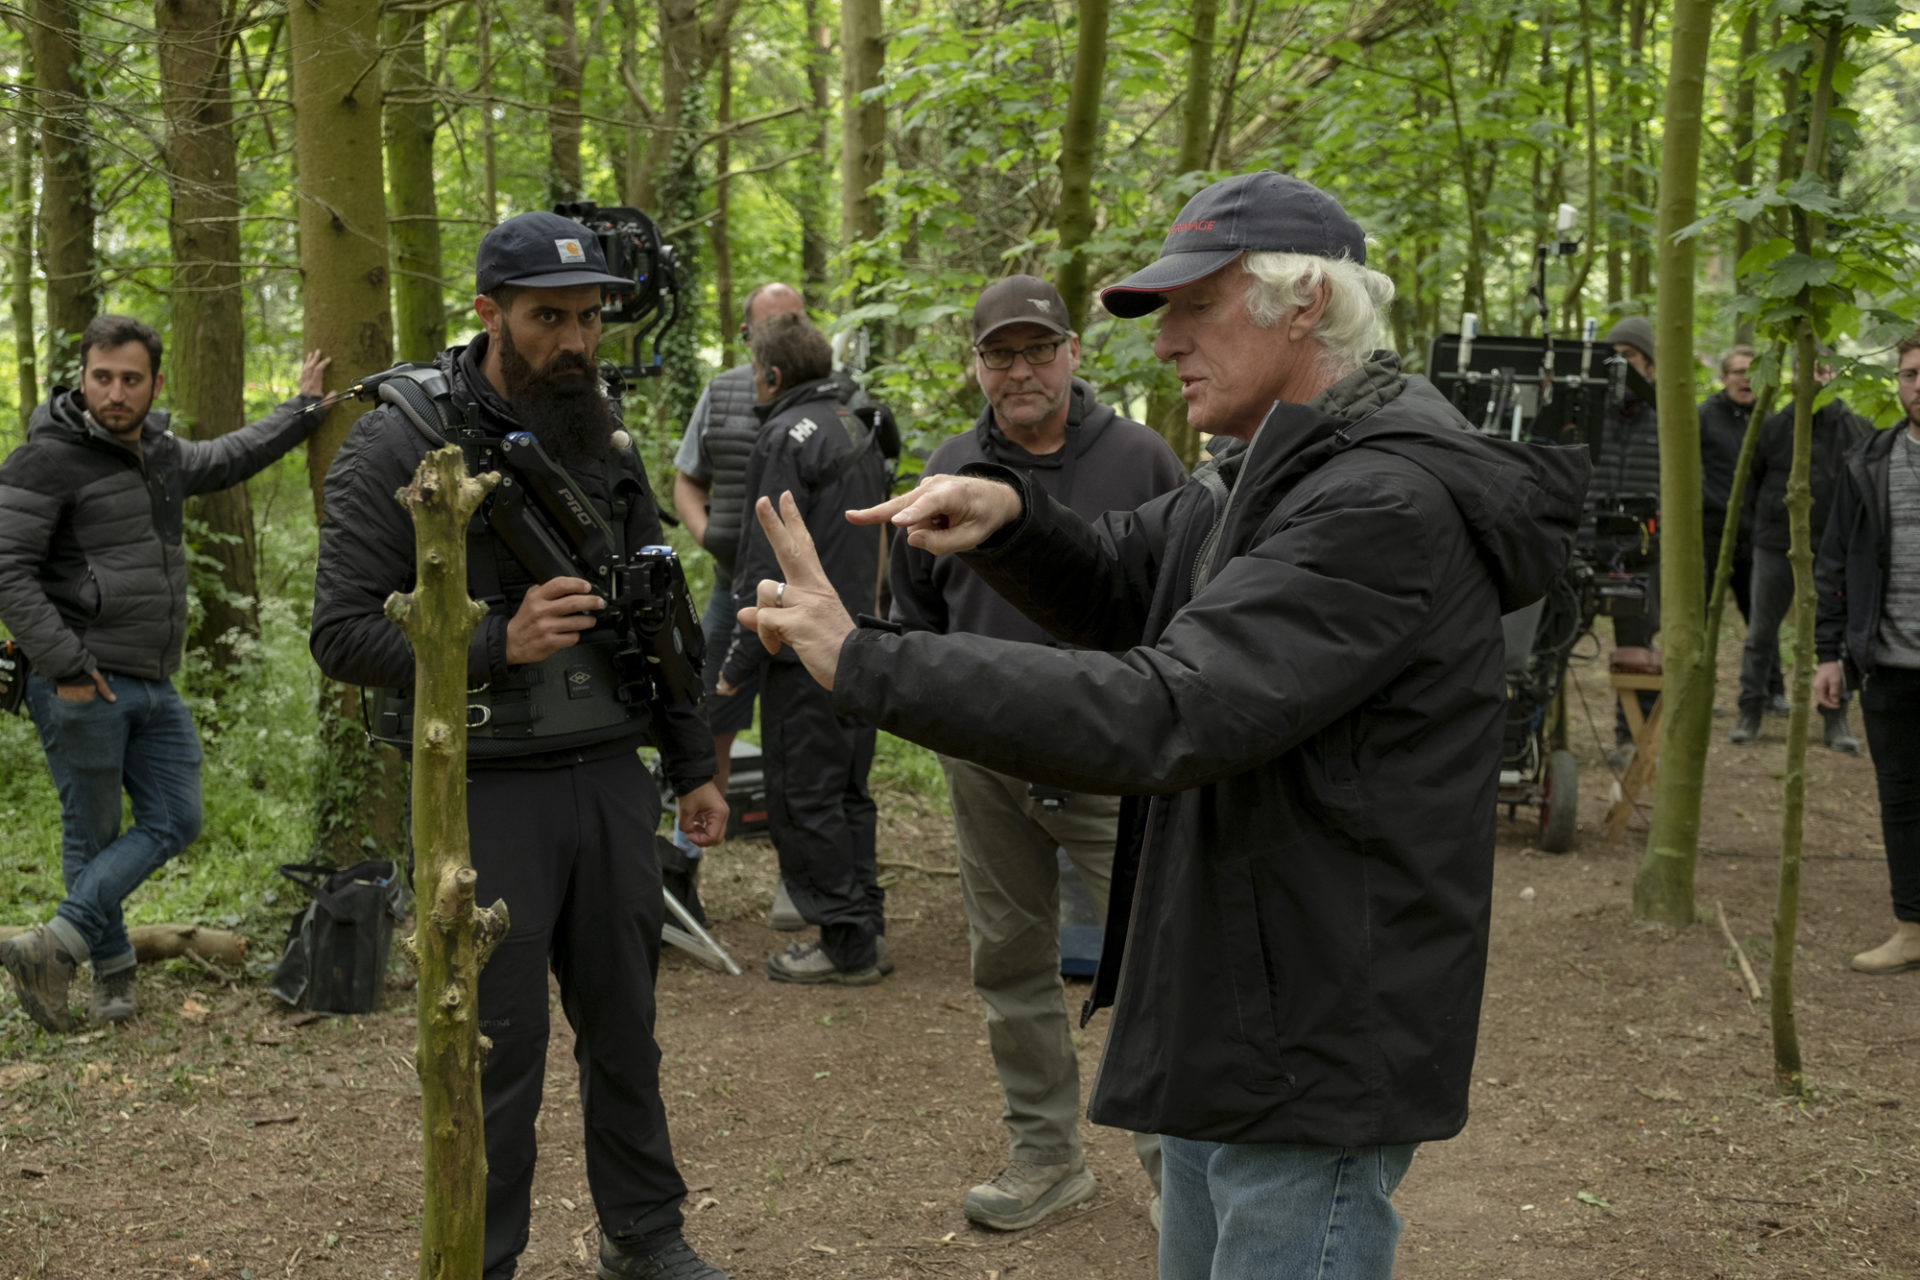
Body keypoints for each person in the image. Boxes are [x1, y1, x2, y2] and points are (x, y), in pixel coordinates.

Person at [733, 171, 1590, 1279]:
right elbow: (1130, 571)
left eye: (1197, 306)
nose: (1167, 341)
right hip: (1235, 999)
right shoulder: (1267, 469)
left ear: (1306, 303)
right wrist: (1011, 518)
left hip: (1314, 1031)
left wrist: (865, 656)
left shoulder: (1380, 502)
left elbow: (1166, 703)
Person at [309, 209, 732, 1280]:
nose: (577, 340)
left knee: (626, 1030)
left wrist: (692, 760)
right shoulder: (399, 438)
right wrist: (496, 639)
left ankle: (644, 1234)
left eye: (591, 316)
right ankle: (479, 1258)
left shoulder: (602, 430)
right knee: (494, 1049)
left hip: (608, 777)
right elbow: (342, 630)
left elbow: (654, 606)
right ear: (490, 312)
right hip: (482, 788)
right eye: (551, 317)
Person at [889, 273, 1186, 1231]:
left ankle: (1176, 1169)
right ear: (975, 365)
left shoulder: (1143, 459)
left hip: (1114, 756)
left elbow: (1187, 608)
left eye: (1037, 350)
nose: (1020, 370)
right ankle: (1045, 1155)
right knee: (1009, 961)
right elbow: (915, 620)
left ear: (1073, 354)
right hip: (986, 759)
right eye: (999, 354)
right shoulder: (946, 466)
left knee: (1154, 959)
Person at [0, 316, 327, 1033]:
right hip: (83, 683)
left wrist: (303, 409)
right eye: (102, 377)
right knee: (90, 833)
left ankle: (52, 947)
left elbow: (231, 455)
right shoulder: (45, 459)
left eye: (131, 379)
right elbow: (8, 571)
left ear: (154, 382)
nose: (116, 393)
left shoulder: (158, 453)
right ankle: (111, 976)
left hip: (154, 679)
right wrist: (69, 667)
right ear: (81, 377)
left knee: (177, 818)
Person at [715, 313, 891, 985]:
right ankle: (865, 928)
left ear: (774, 375)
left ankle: (845, 944)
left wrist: (735, 668)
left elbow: (765, 557)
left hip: (803, 655)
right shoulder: (857, 424)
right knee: (850, 791)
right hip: (863, 646)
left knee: (805, 796)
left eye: (756, 373)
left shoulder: (786, 436)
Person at [669, 282, 808, 923]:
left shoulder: (830, 401)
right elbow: (686, 479)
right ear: (746, 335)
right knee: (709, 718)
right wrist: (708, 536)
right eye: (770, 323)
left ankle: (802, 882)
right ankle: (680, 873)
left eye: (793, 321)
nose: (781, 330)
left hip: (810, 599)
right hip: (733, 591)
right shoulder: (722, 391)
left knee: (800, 734)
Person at [1814, 328, 1920, 977]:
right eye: (1911, 373)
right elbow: (1834, 565)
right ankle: (1911, 928)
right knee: (1902, 799)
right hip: (1891, 665)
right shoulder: (1868, 463)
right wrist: (1830, 654)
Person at [1732, 357, 1870, 750]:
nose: (1816, 377)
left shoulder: (1856, 429)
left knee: (1837, 637)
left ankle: (1835, 717)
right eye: (1808, 369)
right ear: (1794, 375)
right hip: (1775, 545)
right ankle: (1751, 710)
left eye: (1823, 370)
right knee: (1760, 632)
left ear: (1833, 375)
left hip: (1833, 553)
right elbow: (1750, 485)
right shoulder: (1773, 426)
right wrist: (1757, 532)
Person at [1598, 315, 1663, 765]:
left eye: (1630, 357)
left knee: (1637, 648)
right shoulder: (1586, 414)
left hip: (1639, 555)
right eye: (1613, 358)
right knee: (1550, 645)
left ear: (1651, 366)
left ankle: (1631, 739)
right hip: (1582, 550)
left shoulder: (1667, 422)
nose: (1620, 367)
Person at [1699, 345, 1762, 625]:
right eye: (1739, 372)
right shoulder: (1704, 416)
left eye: (1754, 372)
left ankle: (1766, 669)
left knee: (1759, 616)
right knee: (1703, 610)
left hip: (1756, 534)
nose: (1746, 378)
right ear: (1724, 378)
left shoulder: (1769, 422)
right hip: (1713, 531)